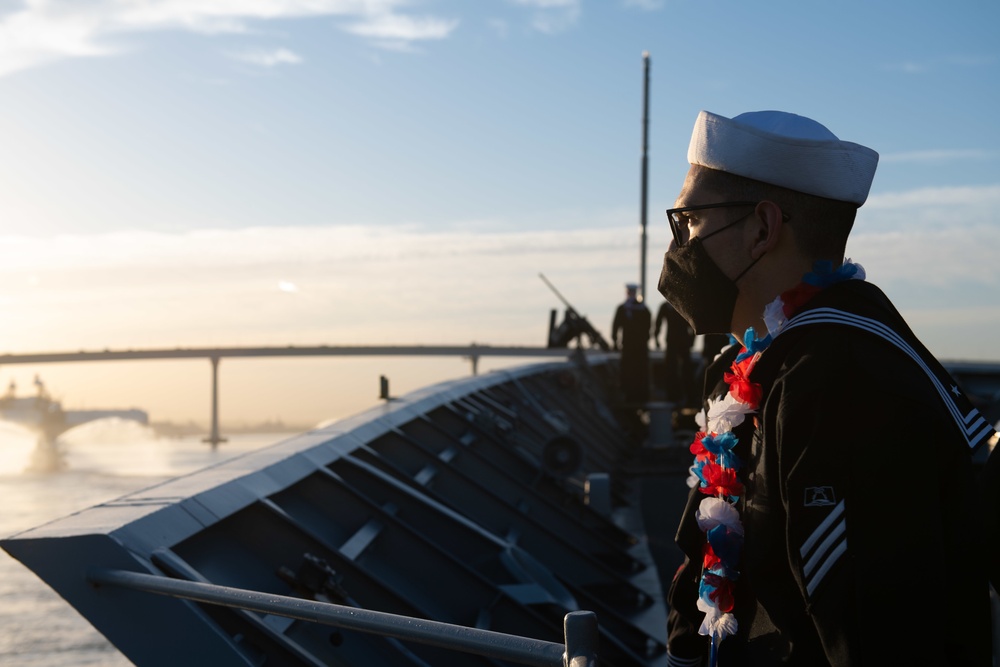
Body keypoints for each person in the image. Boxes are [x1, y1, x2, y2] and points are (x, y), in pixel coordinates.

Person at [656, 109, 997, 666]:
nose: (682, 245)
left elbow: (872, 630)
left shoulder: (845, 381)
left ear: (762, 228)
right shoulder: (756, 361)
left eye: (689, 220)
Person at [611, 282, 651, 405]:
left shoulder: (637, 309)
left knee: (637, 371)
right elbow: (616, 326)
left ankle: (638, 395)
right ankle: (631, 395)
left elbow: (648, 327)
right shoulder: (639, 309)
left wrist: (615, 340)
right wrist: (615, 340)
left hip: (637, 346)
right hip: (629, 345)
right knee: (629, 370)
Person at [654, 300, 695, 405]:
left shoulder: (683, 304)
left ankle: (688, 396)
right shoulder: (668, 306)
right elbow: (658, 322)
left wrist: (691, 340)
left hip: (683, 342)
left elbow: (693, 323)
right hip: (673, 342)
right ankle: (673, 395)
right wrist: (656, 337)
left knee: (686, 369)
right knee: (671, 368)